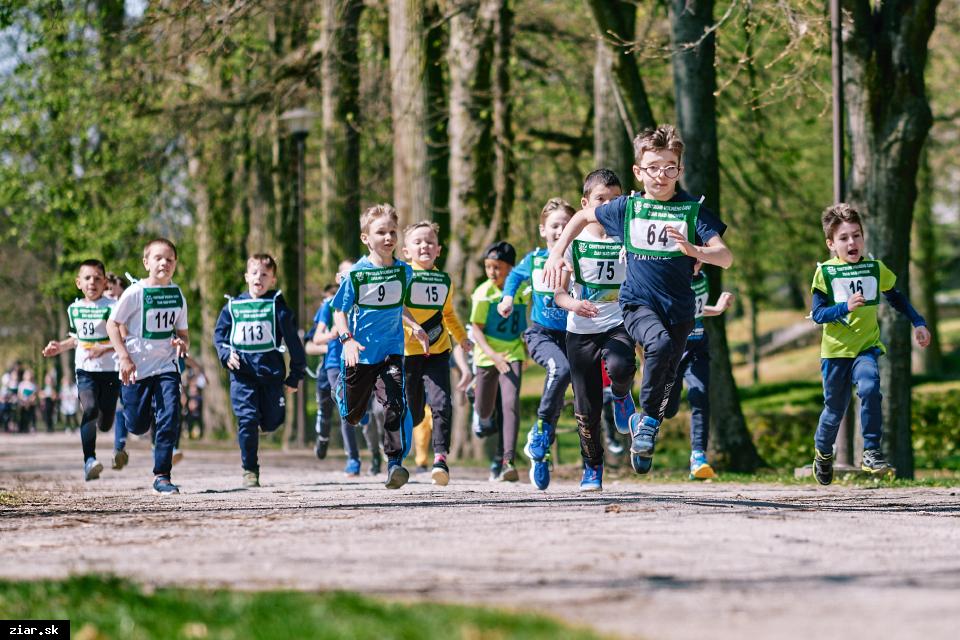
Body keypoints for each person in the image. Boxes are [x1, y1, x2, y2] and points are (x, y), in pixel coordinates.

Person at [543, 124, 732, 475]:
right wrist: (556, 253)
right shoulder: (626, 208)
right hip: (637, 303)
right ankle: (645, 423)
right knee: (656, 344)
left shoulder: (692, 210)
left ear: (680, 169)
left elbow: (725, 256)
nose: (661, 175)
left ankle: (652, 420)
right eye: (653, 167)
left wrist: (696, 250)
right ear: (638, 171)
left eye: (669, 167)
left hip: (679, 309)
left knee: (669, 395)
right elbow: (583, 215)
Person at [809, 203, 930, 484]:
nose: (852, 242)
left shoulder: (875, 268)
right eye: (844, 238)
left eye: (857, 235)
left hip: (866, 348)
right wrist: (844, 308)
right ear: (831, 244)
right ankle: (823, 453)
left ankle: (871, 451)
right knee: (834, 411)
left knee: (870, 386)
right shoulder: (825, 273)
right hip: (836, 353)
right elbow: (817, 314)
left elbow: (896, 297)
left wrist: (919, 322)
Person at [332, 204, 429, 489]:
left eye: (392, 232)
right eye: (380, 232)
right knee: (353, 415)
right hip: (360, 353)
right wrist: (347, 340)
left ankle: (395, 464)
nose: (388, 238)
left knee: (395, 403)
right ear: (366, 238)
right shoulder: (356, 275)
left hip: (391, 351)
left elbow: (398, 305)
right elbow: (339, 311)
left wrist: (415, 326)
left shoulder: (403, 272)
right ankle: (343, 392)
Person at [554, 169, 636, 491]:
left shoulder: (627, 239)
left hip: (617, 323)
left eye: (615, 201)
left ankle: (620, 395)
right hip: (581, 329)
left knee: (621, 365)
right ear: (586, 204)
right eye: (601, 200)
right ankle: (592, 467)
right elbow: (559, 295)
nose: (607, 207)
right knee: (585, 409)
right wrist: (574, 305)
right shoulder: (573, 244)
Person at [497, 198, 573, 489]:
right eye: (555, 225)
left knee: (561, 388)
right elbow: (514, 276)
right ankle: (540, 429)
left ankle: (541, 451)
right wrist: (507, 298)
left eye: (566, 225)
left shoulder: (581, 257)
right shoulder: (535, 259)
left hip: (574, 335)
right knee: (560, 368)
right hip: (541, 333)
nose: (560, 230)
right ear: (543, 230)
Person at [214, 254, 306, 488]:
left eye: (265, 274)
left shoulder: (278, 307)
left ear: (273, 280)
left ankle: (266, 423)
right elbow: (220, 337)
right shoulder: (233, 307)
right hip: (242, 375)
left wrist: (295, 375)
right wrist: (226, 355)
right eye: (254, 273)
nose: (259, 278)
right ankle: (249, 469)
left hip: (271, 375)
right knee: (246, 419)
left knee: (273, 421)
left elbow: (294, 344)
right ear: (246, 277)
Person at [106, 238, 189, 495]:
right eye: (158, 258)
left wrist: (181, 342)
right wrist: (124, 357)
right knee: (137, 425)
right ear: (146, 262)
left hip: (166, 367)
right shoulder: (135, 293)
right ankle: (138, 423)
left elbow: (184, 333)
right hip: (136, 369)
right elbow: (112, 324)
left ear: (175, 264)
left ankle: (162, 475)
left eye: (170, 259)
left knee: (170, 415)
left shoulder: (176, 295)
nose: (164, 262)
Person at [400, 221, 473, 486]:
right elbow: (396, 310)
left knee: (442, 403)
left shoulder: (444, 280)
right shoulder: (404, 276)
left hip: (439, 350)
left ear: (438, 250)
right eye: (418, 242)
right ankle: (405, 442)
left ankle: (440, 458)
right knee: (414, 410)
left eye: (429, 242)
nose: (424, 246)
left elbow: (448, 314)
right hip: (409, 352)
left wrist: (462, 338)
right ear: (406, 251)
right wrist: (412, 330)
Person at [42, 259, 120, 480]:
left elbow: (123, 339)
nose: (92, 282)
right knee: (90, 409)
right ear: (78, 282)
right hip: (85, 370)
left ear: (105, 282)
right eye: (87, 278)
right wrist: (59, 346)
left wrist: (102, 348)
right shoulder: (74, 309)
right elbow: (76, 339)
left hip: (110, 370)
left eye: (97, 278)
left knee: (105, 423)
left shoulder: (113, 308)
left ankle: (104, 426)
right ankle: (89, 460)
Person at [662, 265, 734, 480]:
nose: (696, 260)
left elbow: (697, 309)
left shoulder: (702, 276)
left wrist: (718, 309)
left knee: (700, 396)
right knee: (668, 410)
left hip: (697, 348)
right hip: (674, 351)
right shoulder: (670, 276)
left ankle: (698, 458)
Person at [471, 241, 529, 482]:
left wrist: (524, 349)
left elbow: (523, 322)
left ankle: (508, 460)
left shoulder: (521, 291)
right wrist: (493, 356)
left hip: (513, 352)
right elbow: (476, 329)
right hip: (488, 355)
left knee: (510, 403)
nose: (492, 272)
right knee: (485, 410)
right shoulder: (483, 293)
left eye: (497, 267)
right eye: (488, 267)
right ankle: (475, 397)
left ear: (511, 268)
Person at [105, 272, 130, 465]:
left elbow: (124, 336)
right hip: (96, 368)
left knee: (123, 406)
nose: (109, 292)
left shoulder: (123, 307)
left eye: (112, 288)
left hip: (119, 364)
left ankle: (119, 448)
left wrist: (102, 347)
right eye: (107, 289)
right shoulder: (97, 307)